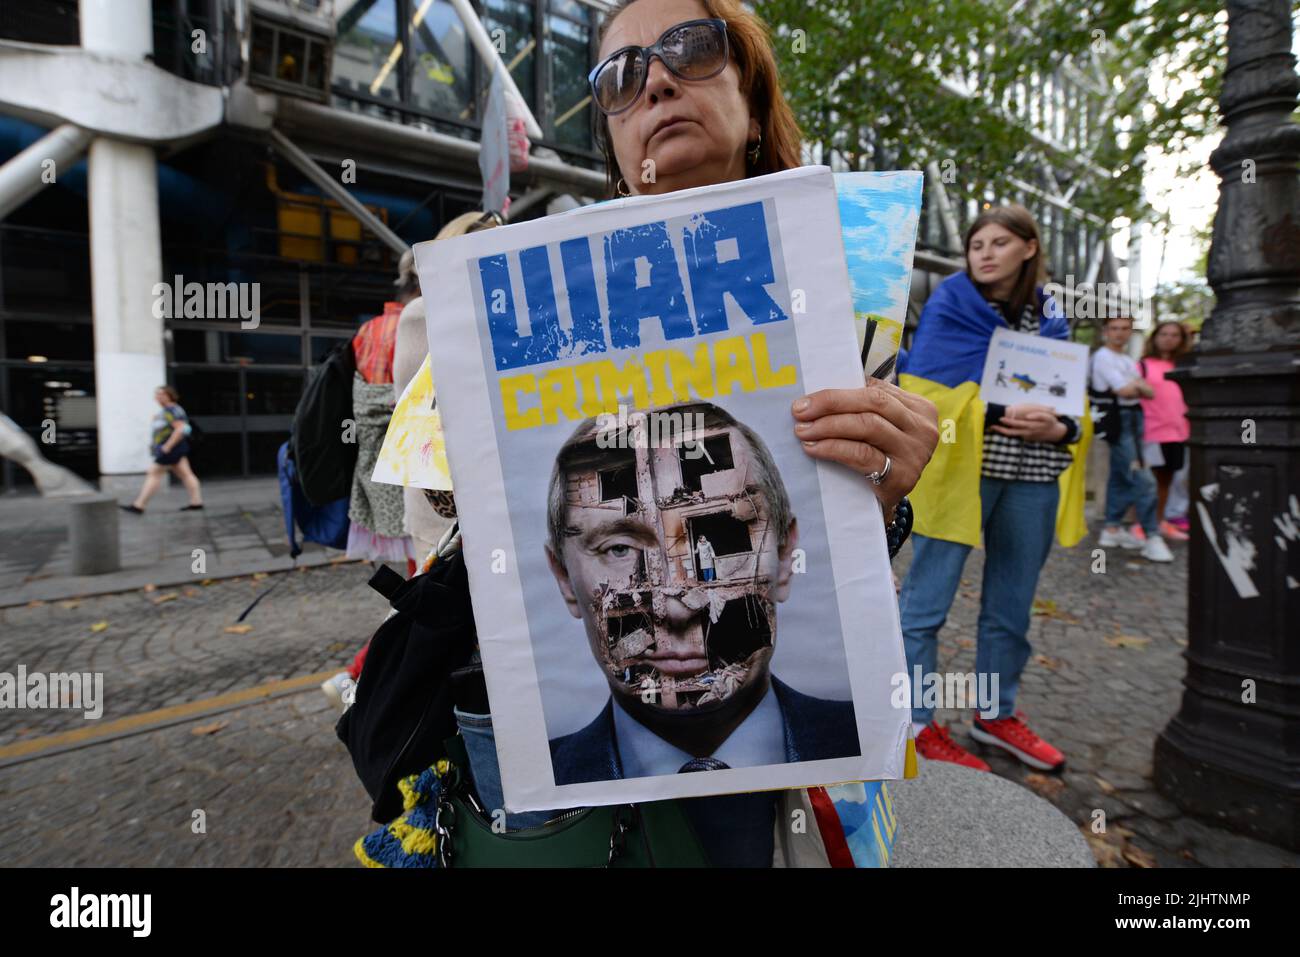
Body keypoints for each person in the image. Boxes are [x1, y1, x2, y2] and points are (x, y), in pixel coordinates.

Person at [429, 0, 938, 868]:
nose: (656, 79)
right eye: (620, 78)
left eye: (691, 49)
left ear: (753, 91)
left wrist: (883, 496)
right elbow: (447, 543)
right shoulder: (512, 299)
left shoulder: (851, 290)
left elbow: (853, 559)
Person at [544, 403, 860, 786]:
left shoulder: (863, 738)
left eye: (725, 537)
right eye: (620, 549)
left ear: (783, 557)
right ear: (563, 577)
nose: (677, 610)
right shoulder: (531, 785)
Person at [898, 205, 1081, 774]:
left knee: (1010, 610)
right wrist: (998, 408)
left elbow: (1072, 403)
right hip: (961, 473)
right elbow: (922, 387)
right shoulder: (952, 302)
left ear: (1028, 248)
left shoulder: (1051, 312)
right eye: (977, 242)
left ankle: (994, 716)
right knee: (924, 608)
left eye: (1000, 242)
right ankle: (917, 724)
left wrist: (1062, 427)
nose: (984, 251)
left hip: (1033, 477)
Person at [1091, 314, 1174, 562]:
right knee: (1142, 476)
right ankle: (1151, 535)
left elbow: (1148, 391)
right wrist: (1137, 386)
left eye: (1125, 328)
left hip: (1135, 420)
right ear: (1106, 331)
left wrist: (1137, 387)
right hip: (1119, 421)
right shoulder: (1103, 358)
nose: (1119, 333)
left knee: (1120, 474)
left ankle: (1112, 528)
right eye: (1114, 328)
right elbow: (1126, 390)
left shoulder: (1126, 360)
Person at [1139, 320, 1191, 541]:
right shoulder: (1142, 365)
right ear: (1155, 337)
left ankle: (1159, 523)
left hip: (1179, 432)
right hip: (1151, 432)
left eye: (1174, 334)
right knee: (1147, 481)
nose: (1169, 338)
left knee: (1167, 480)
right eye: (1164, 334)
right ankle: (1142, 525)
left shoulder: (1184, 366)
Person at [119, 385, 203, 514]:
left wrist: (167, 446)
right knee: (186, 474)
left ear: (169, 395)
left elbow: (180, 429)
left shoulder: (171, 410)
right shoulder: (168, 410)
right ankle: (196, 502)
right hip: (175, 447)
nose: (158, 397)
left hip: (172, 448)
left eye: (161, 394)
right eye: (157, 394)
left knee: (154, 473)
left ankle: (139, 505)